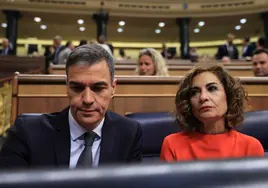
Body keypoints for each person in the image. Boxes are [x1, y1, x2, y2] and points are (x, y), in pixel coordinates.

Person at [0, 44, 142, 169]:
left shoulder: (129, 133)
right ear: (67, 87)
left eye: (98, 88)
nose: (87, 99)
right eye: (77, 88)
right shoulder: (27, 132)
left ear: (113, 88)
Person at [160, 64, 264, 161]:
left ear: (228, 96)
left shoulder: (250, 146)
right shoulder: (172, 144)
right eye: (194, 92)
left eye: (212, 88)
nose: (203, 97)